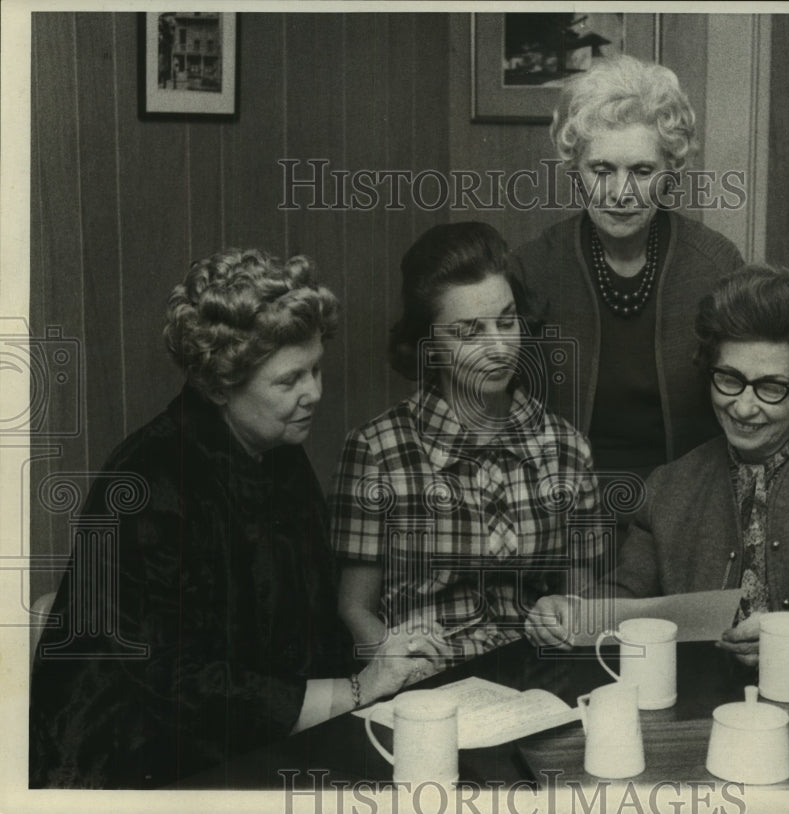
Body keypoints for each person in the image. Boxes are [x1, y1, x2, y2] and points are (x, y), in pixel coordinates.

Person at [30, 249, 444, 789]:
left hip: (249, 737)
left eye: (316, 369)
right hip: (129, 761)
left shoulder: (277, 452)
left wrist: (388, 660)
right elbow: (181, 685)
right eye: (288, 380)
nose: (313, 393)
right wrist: (362, 689)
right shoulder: (146, 485)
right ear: (221, 383)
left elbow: (307, 614)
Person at [526, 266, 789, 663]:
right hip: (692, 709)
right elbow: (627, 597)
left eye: (772, 387)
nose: (744, 407)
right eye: (729, 379)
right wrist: (572, 611)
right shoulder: (668, 487)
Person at [332, 222, 602, 666]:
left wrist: (566, 617)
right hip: (425, 687)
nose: (498, 348)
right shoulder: (376, 452)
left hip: (538, 680)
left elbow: (581, 596)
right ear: (429, 342)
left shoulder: (567, 449)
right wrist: (398, 667)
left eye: (506, 320)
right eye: (469, 332)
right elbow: (354, 608)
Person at [514, 55, 745, 481]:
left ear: (670, 172)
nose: (621, 193)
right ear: (575, 170)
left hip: (687, 501)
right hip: (563, 502)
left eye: (642, 171)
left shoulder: (716, 265)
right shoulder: (535, 266)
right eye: (601, 169)